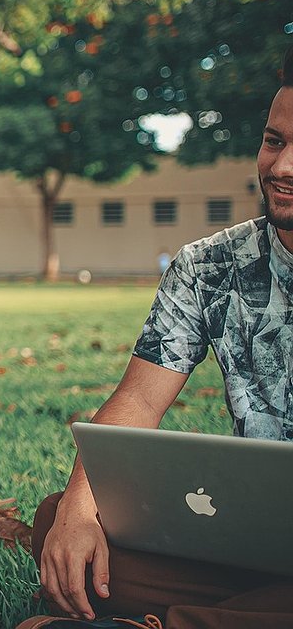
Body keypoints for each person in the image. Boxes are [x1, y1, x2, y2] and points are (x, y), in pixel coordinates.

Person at [25, 49, 293, 628]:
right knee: (62, 528)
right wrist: (81, 505)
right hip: (260, 542)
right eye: (274, 141)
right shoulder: (209, 266)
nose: (281, 167)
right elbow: (141, 399)